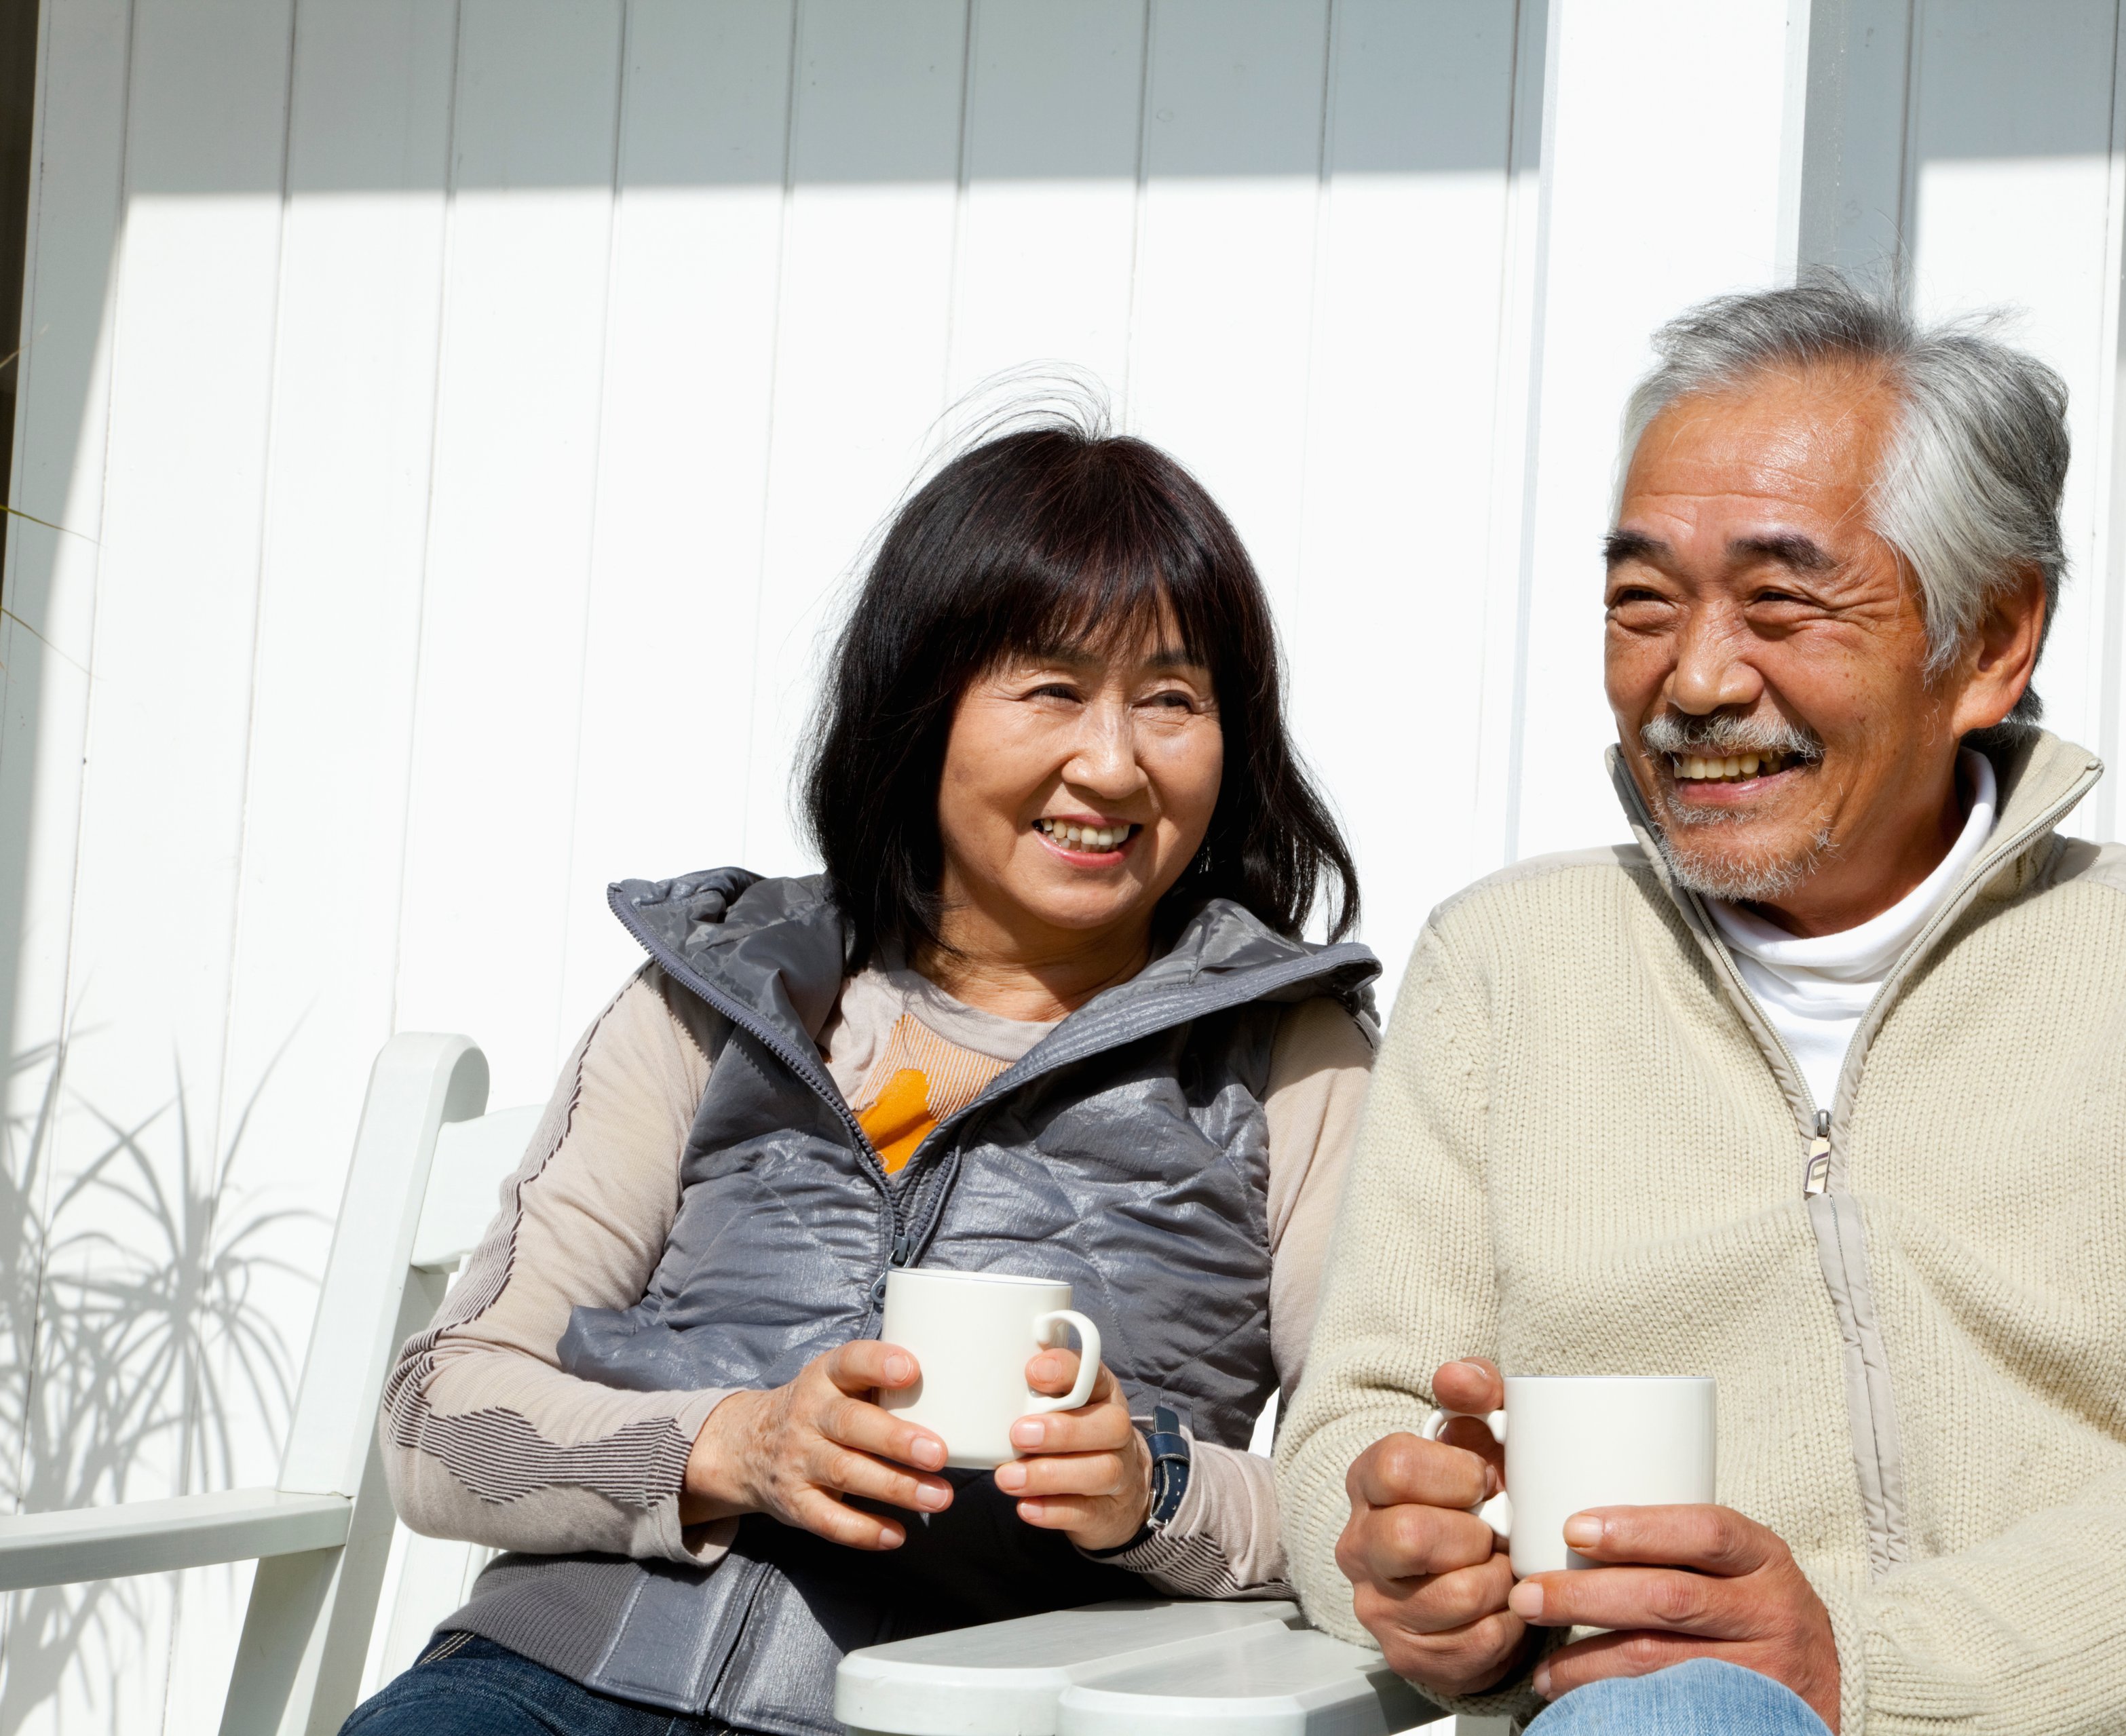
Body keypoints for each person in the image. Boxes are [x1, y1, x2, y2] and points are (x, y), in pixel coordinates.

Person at [1276, 282, 2126, 1735]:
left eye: (1780, 600)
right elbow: (1356, 1421)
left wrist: (1859, 1668)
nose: (1692, 678)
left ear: (1990, 641)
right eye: (1642, 601)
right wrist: (1396, 1559)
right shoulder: (1506, 963)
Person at [345, 420, 1376, 1736]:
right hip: (552, 1682)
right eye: (1051, 688)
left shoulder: (1295, 1052)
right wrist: (729, 1443)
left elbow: (1372, 1494)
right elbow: (444, 1413)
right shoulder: (718, 989)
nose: (1114, 762)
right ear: (921, 702)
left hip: (972, 1713)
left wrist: (1155, 1489)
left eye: (1172, 699)